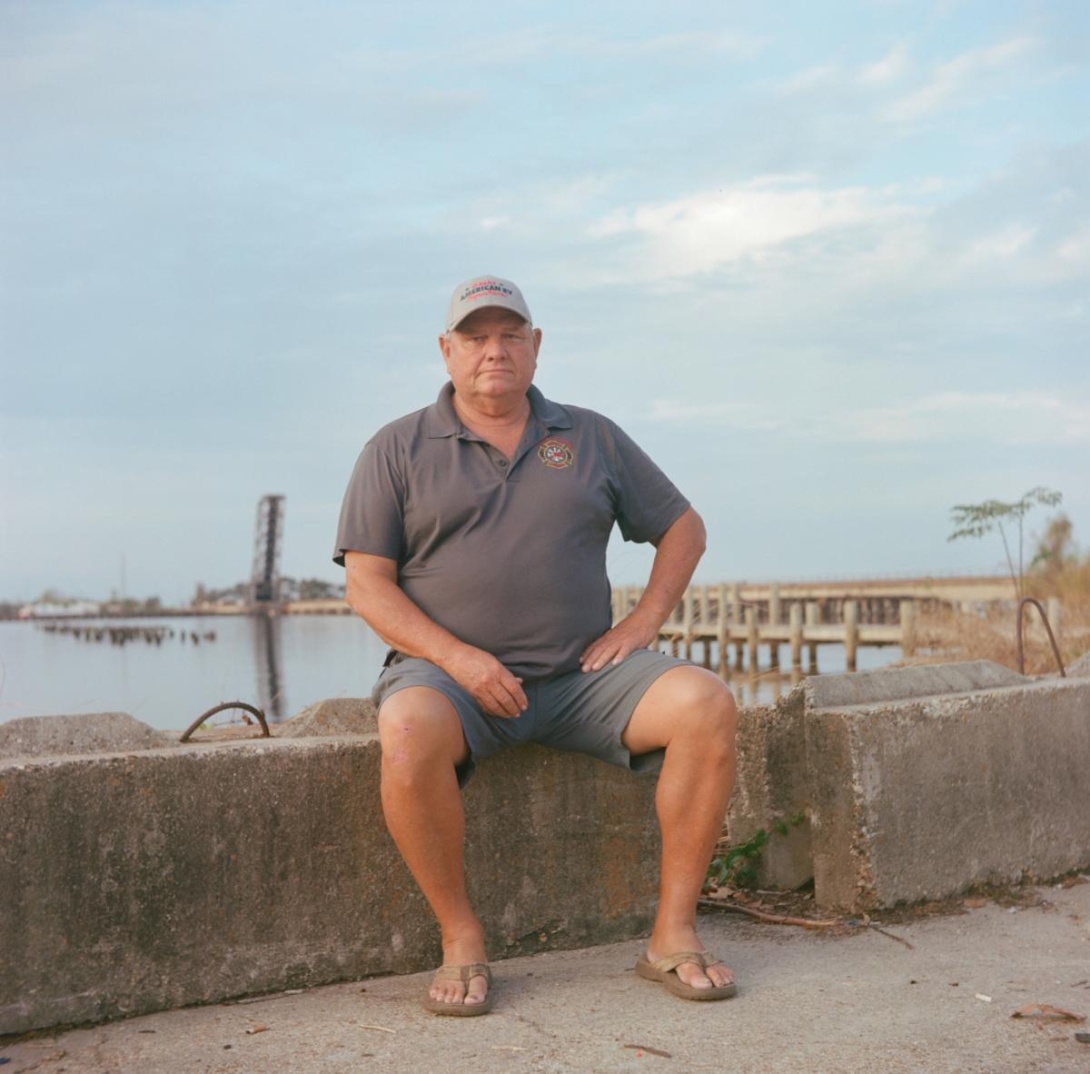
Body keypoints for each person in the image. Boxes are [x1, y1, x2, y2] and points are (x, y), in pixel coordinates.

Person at [333, 275, 738, 1015]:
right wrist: (458, 659)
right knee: (404, 730)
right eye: (477, 337)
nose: (495, 350)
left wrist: (643, 622)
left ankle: (673, 935)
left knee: (706, 703)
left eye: (510, 334)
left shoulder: (591, 436)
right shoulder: (395, 448)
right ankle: (461, 939)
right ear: (446, 351)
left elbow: (684, 529)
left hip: (584, 679)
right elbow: (368, 586)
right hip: (453, 684)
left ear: (536, 346)